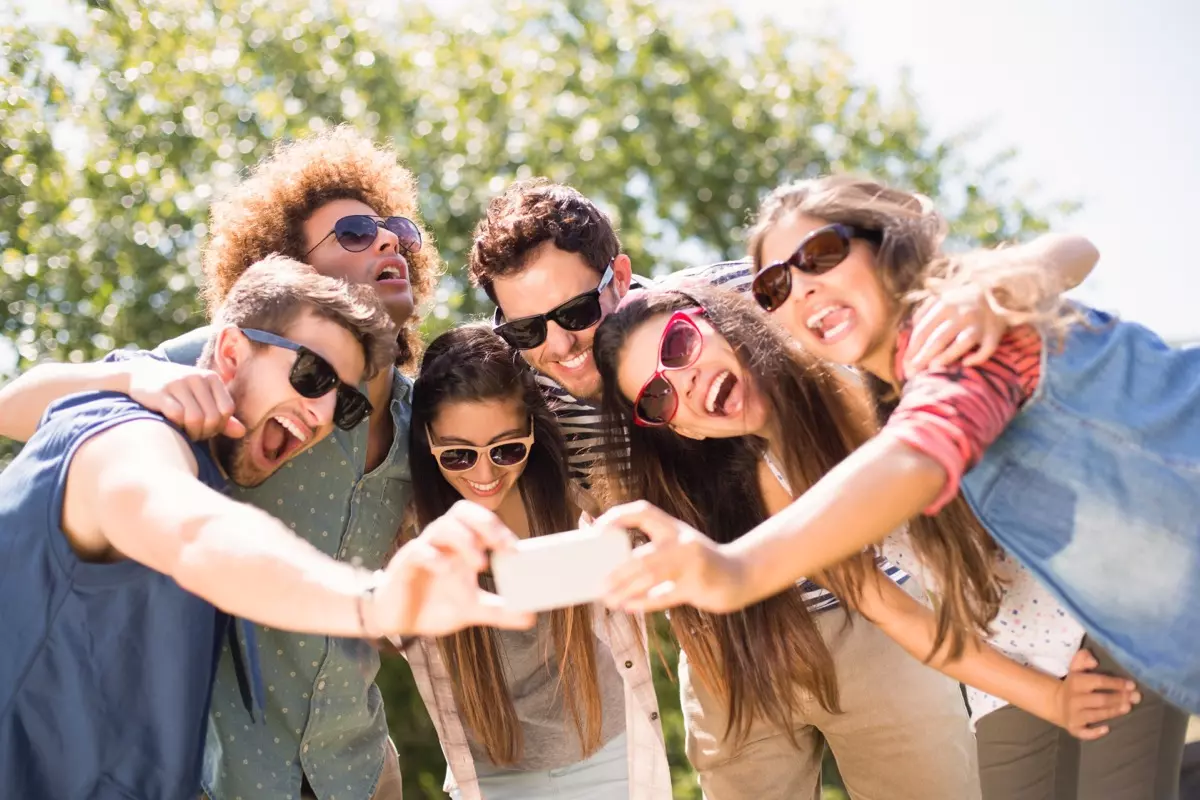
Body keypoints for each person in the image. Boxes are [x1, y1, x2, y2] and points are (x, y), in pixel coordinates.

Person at [598, 176, 1196, 796]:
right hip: (1017, 647)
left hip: (1103, 600)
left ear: (727, 324)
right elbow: (893, 611)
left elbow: (920, 451)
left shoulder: (916, 344)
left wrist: (999, 285)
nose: (685, 382)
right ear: (682, 431)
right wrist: (1051, 698)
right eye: (659, 396)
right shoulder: (781, 474)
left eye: (680, 343)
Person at [0, 126, 439, 800]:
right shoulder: (241, 370)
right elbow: (20, 412)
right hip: (220, 775)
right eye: (353, 232)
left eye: (395, 229)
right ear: (288, 267)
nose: (387, 241)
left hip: (352, 770)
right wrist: (134, 380)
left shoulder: (427, 420)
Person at [0, 258, 530, 800]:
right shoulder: (123, 434)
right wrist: (375, 601)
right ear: (230, 352)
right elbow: (195, 535)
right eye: (312, 375)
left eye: (344, 401)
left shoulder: (225, 467)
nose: (322, 414)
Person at [466, 178, 1099, 485]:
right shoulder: (519, 409)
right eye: (524, 330)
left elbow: (1063, 255)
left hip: (894, 585)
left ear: (619, 275)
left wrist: (989, 296)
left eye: (576, 312)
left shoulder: (752, 292)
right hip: (730, 656)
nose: (558, 344)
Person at [399, 324, 669, 800]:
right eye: (458, 455)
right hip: (489, 775)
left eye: (507, 449)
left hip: (608, 756)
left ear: (532, 429)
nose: (485, 475)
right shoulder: (408, 527)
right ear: (425, 439)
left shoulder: (577, 499)